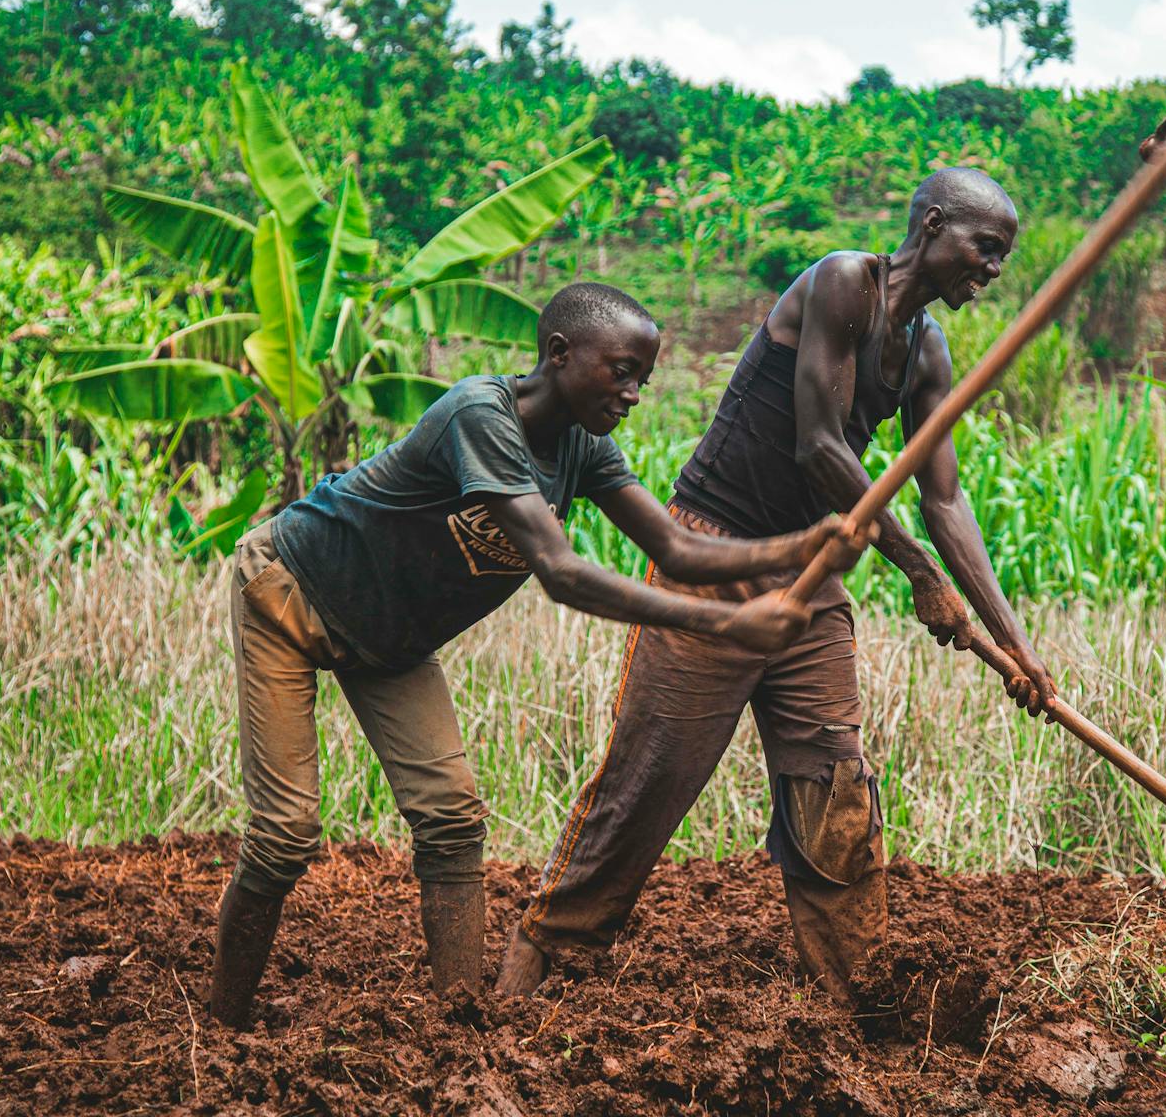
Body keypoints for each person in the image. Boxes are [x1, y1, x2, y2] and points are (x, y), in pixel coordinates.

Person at [208, 282, 867, 1027]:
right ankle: (225, 1029)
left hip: (390, 640)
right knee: (286, 832)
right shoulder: (479, 416)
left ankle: (460, 1032)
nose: (633, 394)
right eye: (620, 371)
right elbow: (562, 573)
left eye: (642, 379)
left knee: (453, 820)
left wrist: (800, 545)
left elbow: (675, 545)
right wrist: (727, 625)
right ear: (559, 354)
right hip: (289, 592)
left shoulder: (582, 446)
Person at [498, 168, 1060, 1001]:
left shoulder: (928, 352)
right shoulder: (841, 283)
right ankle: (528, 982)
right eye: (985, 248)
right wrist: (916, 574)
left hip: (814, 578)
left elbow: (943, 495)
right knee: (648, 779)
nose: (992, 270)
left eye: (1003, 258)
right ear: (933, 223)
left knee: (835, 787)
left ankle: (847, 1001)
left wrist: (1016, 645)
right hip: (714, 559)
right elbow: (821, 449)